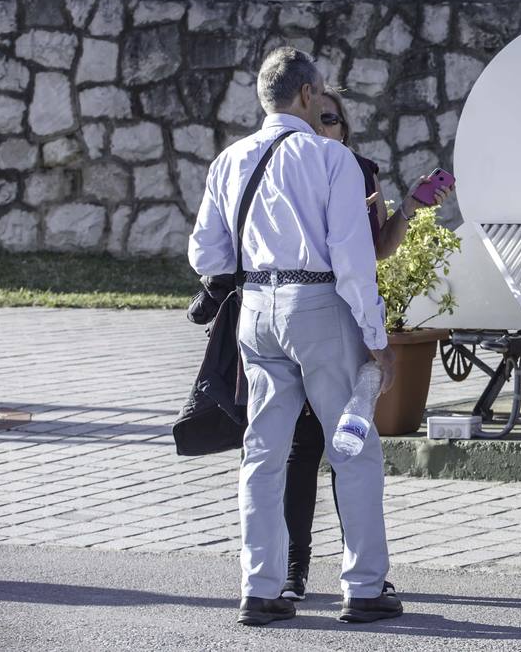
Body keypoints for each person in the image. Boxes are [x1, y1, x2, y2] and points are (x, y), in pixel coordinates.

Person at [188, 47, 401, 627]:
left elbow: (205, 252)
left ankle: (261, 586)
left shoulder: (230, 159)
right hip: (320, 304)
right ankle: (363, 586)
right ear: (308, 94)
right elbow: (353, 260)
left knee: (264, 449)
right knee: (352, 446)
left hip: (256, 306)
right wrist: (377, 338)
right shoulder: (331, 159)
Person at [280, 88, 449, 602]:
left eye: (332, 119)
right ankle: (293, 570)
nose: (323, 126)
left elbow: (374, 252)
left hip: (344, 317)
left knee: (348, 445)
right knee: (299, 447)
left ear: (344, 127)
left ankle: (361, 571)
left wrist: (412, 207)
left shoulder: (358, 169)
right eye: (317, 117)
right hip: (296, 315)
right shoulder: (283, 164)